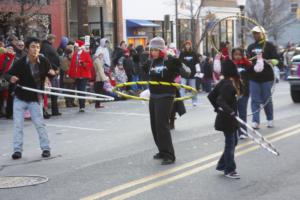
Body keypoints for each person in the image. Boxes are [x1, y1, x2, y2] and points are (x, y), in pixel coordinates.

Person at [4, 37, 55, 160]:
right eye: (33, 46)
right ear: (27, 49)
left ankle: (46, 148)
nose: (35, 49)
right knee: (18, 125)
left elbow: (51, 72)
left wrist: (52, 74)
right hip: (20, 97)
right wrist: (11, 78)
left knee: (39, 124)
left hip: (35, 98)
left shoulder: (43, 61)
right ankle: (17, 150)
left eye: (37, 47)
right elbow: (7, 74)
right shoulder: (21, 62)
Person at [143, 37, 183, 165]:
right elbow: (140, 67)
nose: (153, 52)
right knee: (154, 125)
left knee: (162, 125)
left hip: (166, 95)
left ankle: (169, 155)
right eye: (151, 50)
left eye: (155, 50)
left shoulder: (169, 61)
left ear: (161, 50)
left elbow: (185, 72)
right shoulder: (150, 63)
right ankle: (161, 150)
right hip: (154, 96)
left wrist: (174, 58)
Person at [208, 59, 242, 179]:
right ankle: (230, 169)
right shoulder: (228, 84)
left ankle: (223, 164)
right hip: (228, 118)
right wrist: (229, 110)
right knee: (230, 143)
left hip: (228, 117)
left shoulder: (225, 82)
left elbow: (211, 96)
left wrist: (218, 108)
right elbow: (220, 100)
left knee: (233, 142)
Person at [247, 26, 279, 129]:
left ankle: (270, 119)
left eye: (257, 33)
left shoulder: (269, 46)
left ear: (262, 34)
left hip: (266, 77)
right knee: (255, 100)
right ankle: (255, 121)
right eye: (254, 33)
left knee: (266, 99)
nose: (255, 35)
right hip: (253, 77)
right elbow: (248, 60)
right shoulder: (251, 47)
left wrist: (271, 61)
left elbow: (277, 60)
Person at [68, 40, 93, 112]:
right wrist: (70, 73)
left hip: (83, 75)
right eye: (75, 47)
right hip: (77, 75)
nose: (75, 48)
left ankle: (82, 106)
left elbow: (90, 65)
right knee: (79, 91)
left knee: (82, 90)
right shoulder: (75, 55)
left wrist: (83, 63)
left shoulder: (85, 54)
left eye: (76, 47)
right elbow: (72, 65)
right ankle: (81, 106)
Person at [41, 34, 61, 116]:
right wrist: (55, 68)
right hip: (50, 72)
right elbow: (48, 60)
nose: (54, 41)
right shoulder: (46, 47)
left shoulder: (46, 46)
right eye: (53, 39)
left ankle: (54, 110)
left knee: (53, 92)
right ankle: (47, 111)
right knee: (50, 92)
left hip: (52, 71)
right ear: (51, 39)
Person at [179, 41, 200, 106]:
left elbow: (197, 62)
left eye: (189, 45)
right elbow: (179, 63)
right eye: (186, 45)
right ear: (185, 46)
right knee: (182, 87)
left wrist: (198, 70)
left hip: (192, 73)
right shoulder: (182, 54)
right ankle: (182, 101)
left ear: (190, 46)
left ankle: (194, 101)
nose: (187, 46)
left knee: (193, 88)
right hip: (184, 74)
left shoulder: (193, 54)